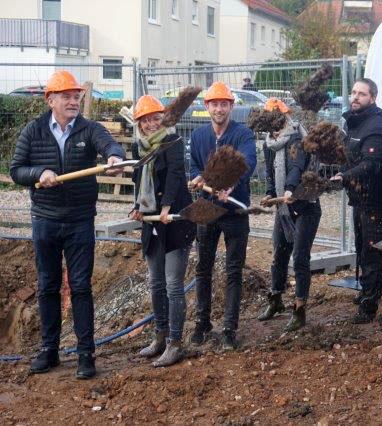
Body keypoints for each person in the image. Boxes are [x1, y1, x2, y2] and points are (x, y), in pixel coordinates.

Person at [10, 70, 125, 379]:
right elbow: (16, 170)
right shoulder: (33, 131)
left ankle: (86, 354)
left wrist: (114, 158)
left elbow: (111, 146)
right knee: (47, 286)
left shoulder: (89, 130)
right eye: (67, 96)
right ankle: (49, 351)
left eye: (77, 96)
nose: (74, 101)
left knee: (81, 286)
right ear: (51, 100)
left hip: (79, 221)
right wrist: (38, 174)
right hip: (45, 221)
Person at [188, 81, 257, 350]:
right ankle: (202, 323)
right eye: (214, 104)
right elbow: (194, 164)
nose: (219, 108)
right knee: (202, 268)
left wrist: (231, 184)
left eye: (224, 104)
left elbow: (247, 162)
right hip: (206, 207)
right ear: (207, 107)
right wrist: (197, 177)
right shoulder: (199, 136)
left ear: (231, 106)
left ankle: (229, 328)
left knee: (233, 270)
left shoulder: (243, 134)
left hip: (235, 210)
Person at [128, 95, 196, 367]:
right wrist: (137, 206)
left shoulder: (173, 142)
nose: (151, 123)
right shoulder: (139, 147)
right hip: (152, 223)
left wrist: (167, 206)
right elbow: (138, 179)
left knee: (172, 284)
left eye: (155, 118)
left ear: (164, 118)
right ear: (139, 124)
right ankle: (160, 335)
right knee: (155, 283)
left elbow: (176, 175)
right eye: (145, 120)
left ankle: (175, 343)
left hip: (175, 221)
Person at [330, 78, 382, 324]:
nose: (355, 97)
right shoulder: (354, 122)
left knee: (371, 250)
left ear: (373, 98)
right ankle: (375, 288)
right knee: (362, 246)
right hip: (360, 196)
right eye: (354, 93)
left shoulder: (377, 125)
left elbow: (372, 164)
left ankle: (369, 304)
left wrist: (345, 176)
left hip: (376, 198)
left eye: (362, 94)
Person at [257, 99, 321, 331]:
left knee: (300, 257)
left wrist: (290, 188)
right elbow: (270, 171)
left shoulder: (297, 138)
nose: (276, 123)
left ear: (284, 117)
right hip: (284, 207)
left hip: (305, 204)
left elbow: (296, 166)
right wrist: (270, 193)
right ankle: (275, 300)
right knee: (279, 254)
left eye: (279, 118)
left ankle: (299, 309)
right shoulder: (269, 142)